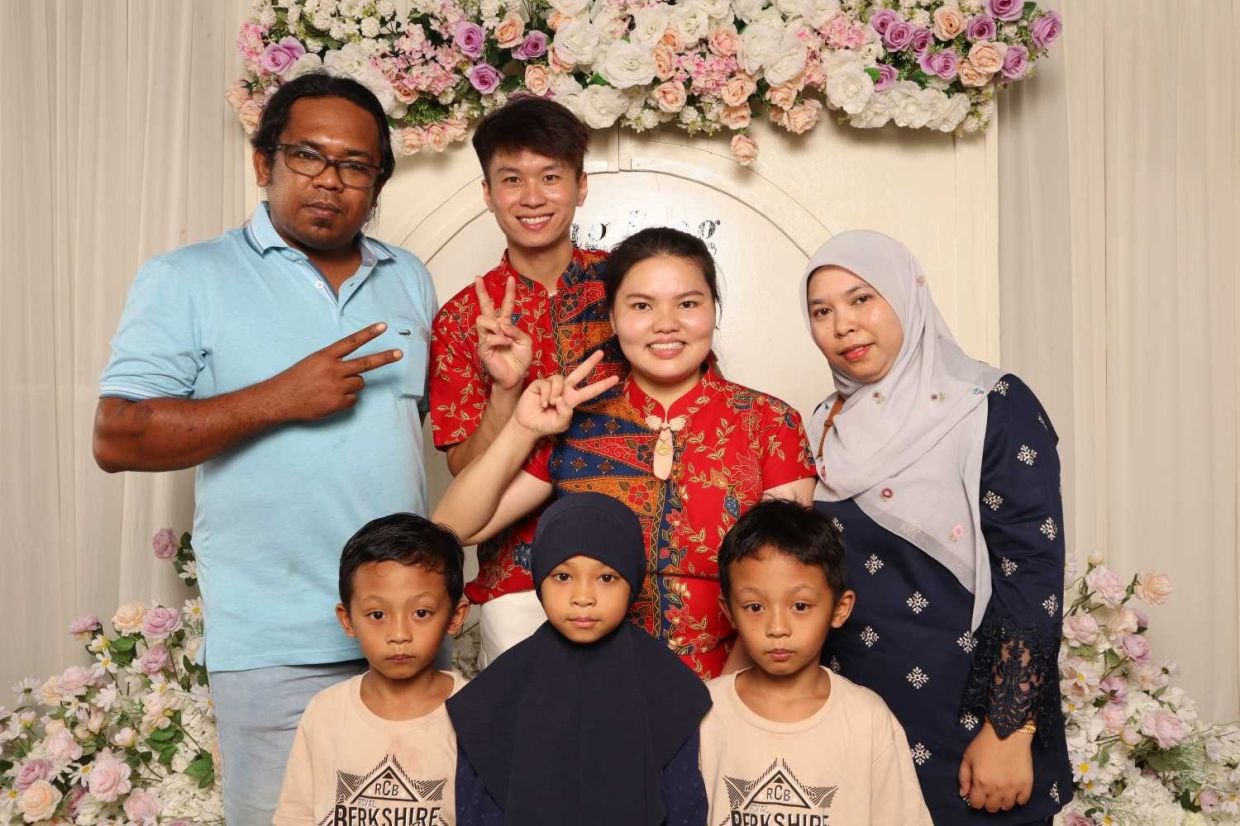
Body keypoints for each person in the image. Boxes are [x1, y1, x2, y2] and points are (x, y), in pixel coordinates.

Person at [92, 73, 438, 823]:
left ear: (377, 184)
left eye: (355, 165)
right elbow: (116, 435)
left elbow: (420, 440)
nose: (329, 181)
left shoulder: (408, 277)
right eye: (307, 156)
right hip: (275, 642)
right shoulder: (187, 277)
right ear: (263, 162)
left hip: (407, 625)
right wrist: (280, 398)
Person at [433, 227, 816, 678]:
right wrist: (520, 427)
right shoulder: (577, 420)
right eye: (641, 306)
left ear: (714, 310)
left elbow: (786, 583)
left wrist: (726, 702)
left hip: (732, 687)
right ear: (612, 321)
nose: (666, 323)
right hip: (593, 691)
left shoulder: (770, 423)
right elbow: (452, 526)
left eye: (688, 303)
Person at [801, 230, 1072, 823]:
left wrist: (1008, 728)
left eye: (862, 299)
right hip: (855, 719)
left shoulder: (990, 403)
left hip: (969, 719)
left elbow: (1032, 571)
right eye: (822, 311)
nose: (843, 324)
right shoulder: (825, 423)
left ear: (908, 297)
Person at [429, 96, 620, 667]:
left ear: (580, 185)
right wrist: (505, 393)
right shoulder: (465, 317)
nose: (532, 197)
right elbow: (466, 469)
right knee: (526, 743)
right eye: (511, 179)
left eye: (550, 177)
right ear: (487, 193)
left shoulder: (631, 290)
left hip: (638, 560)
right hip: (518, 575)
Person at [447, 493, 711, 825]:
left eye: (606, 578)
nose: (583, 598)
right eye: (563, 576)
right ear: (539, 577)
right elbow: (477, 806)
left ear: (632, 580)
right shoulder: (496, 691)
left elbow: (685, 804)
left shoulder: (668, 685)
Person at [700, 499, 932, 825]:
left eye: (800, 606)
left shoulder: (867, 720)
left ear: (840, 608)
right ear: (729, 612)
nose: (777, 628)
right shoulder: (701, 711)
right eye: (755, 607)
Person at [273, 514, 470, 826]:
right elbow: (295, 817)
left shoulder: (477, 713)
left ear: (455, 617)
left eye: (421, 612)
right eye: (377, 614)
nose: (399, 633)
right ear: (348, 619)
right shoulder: (325, 712)